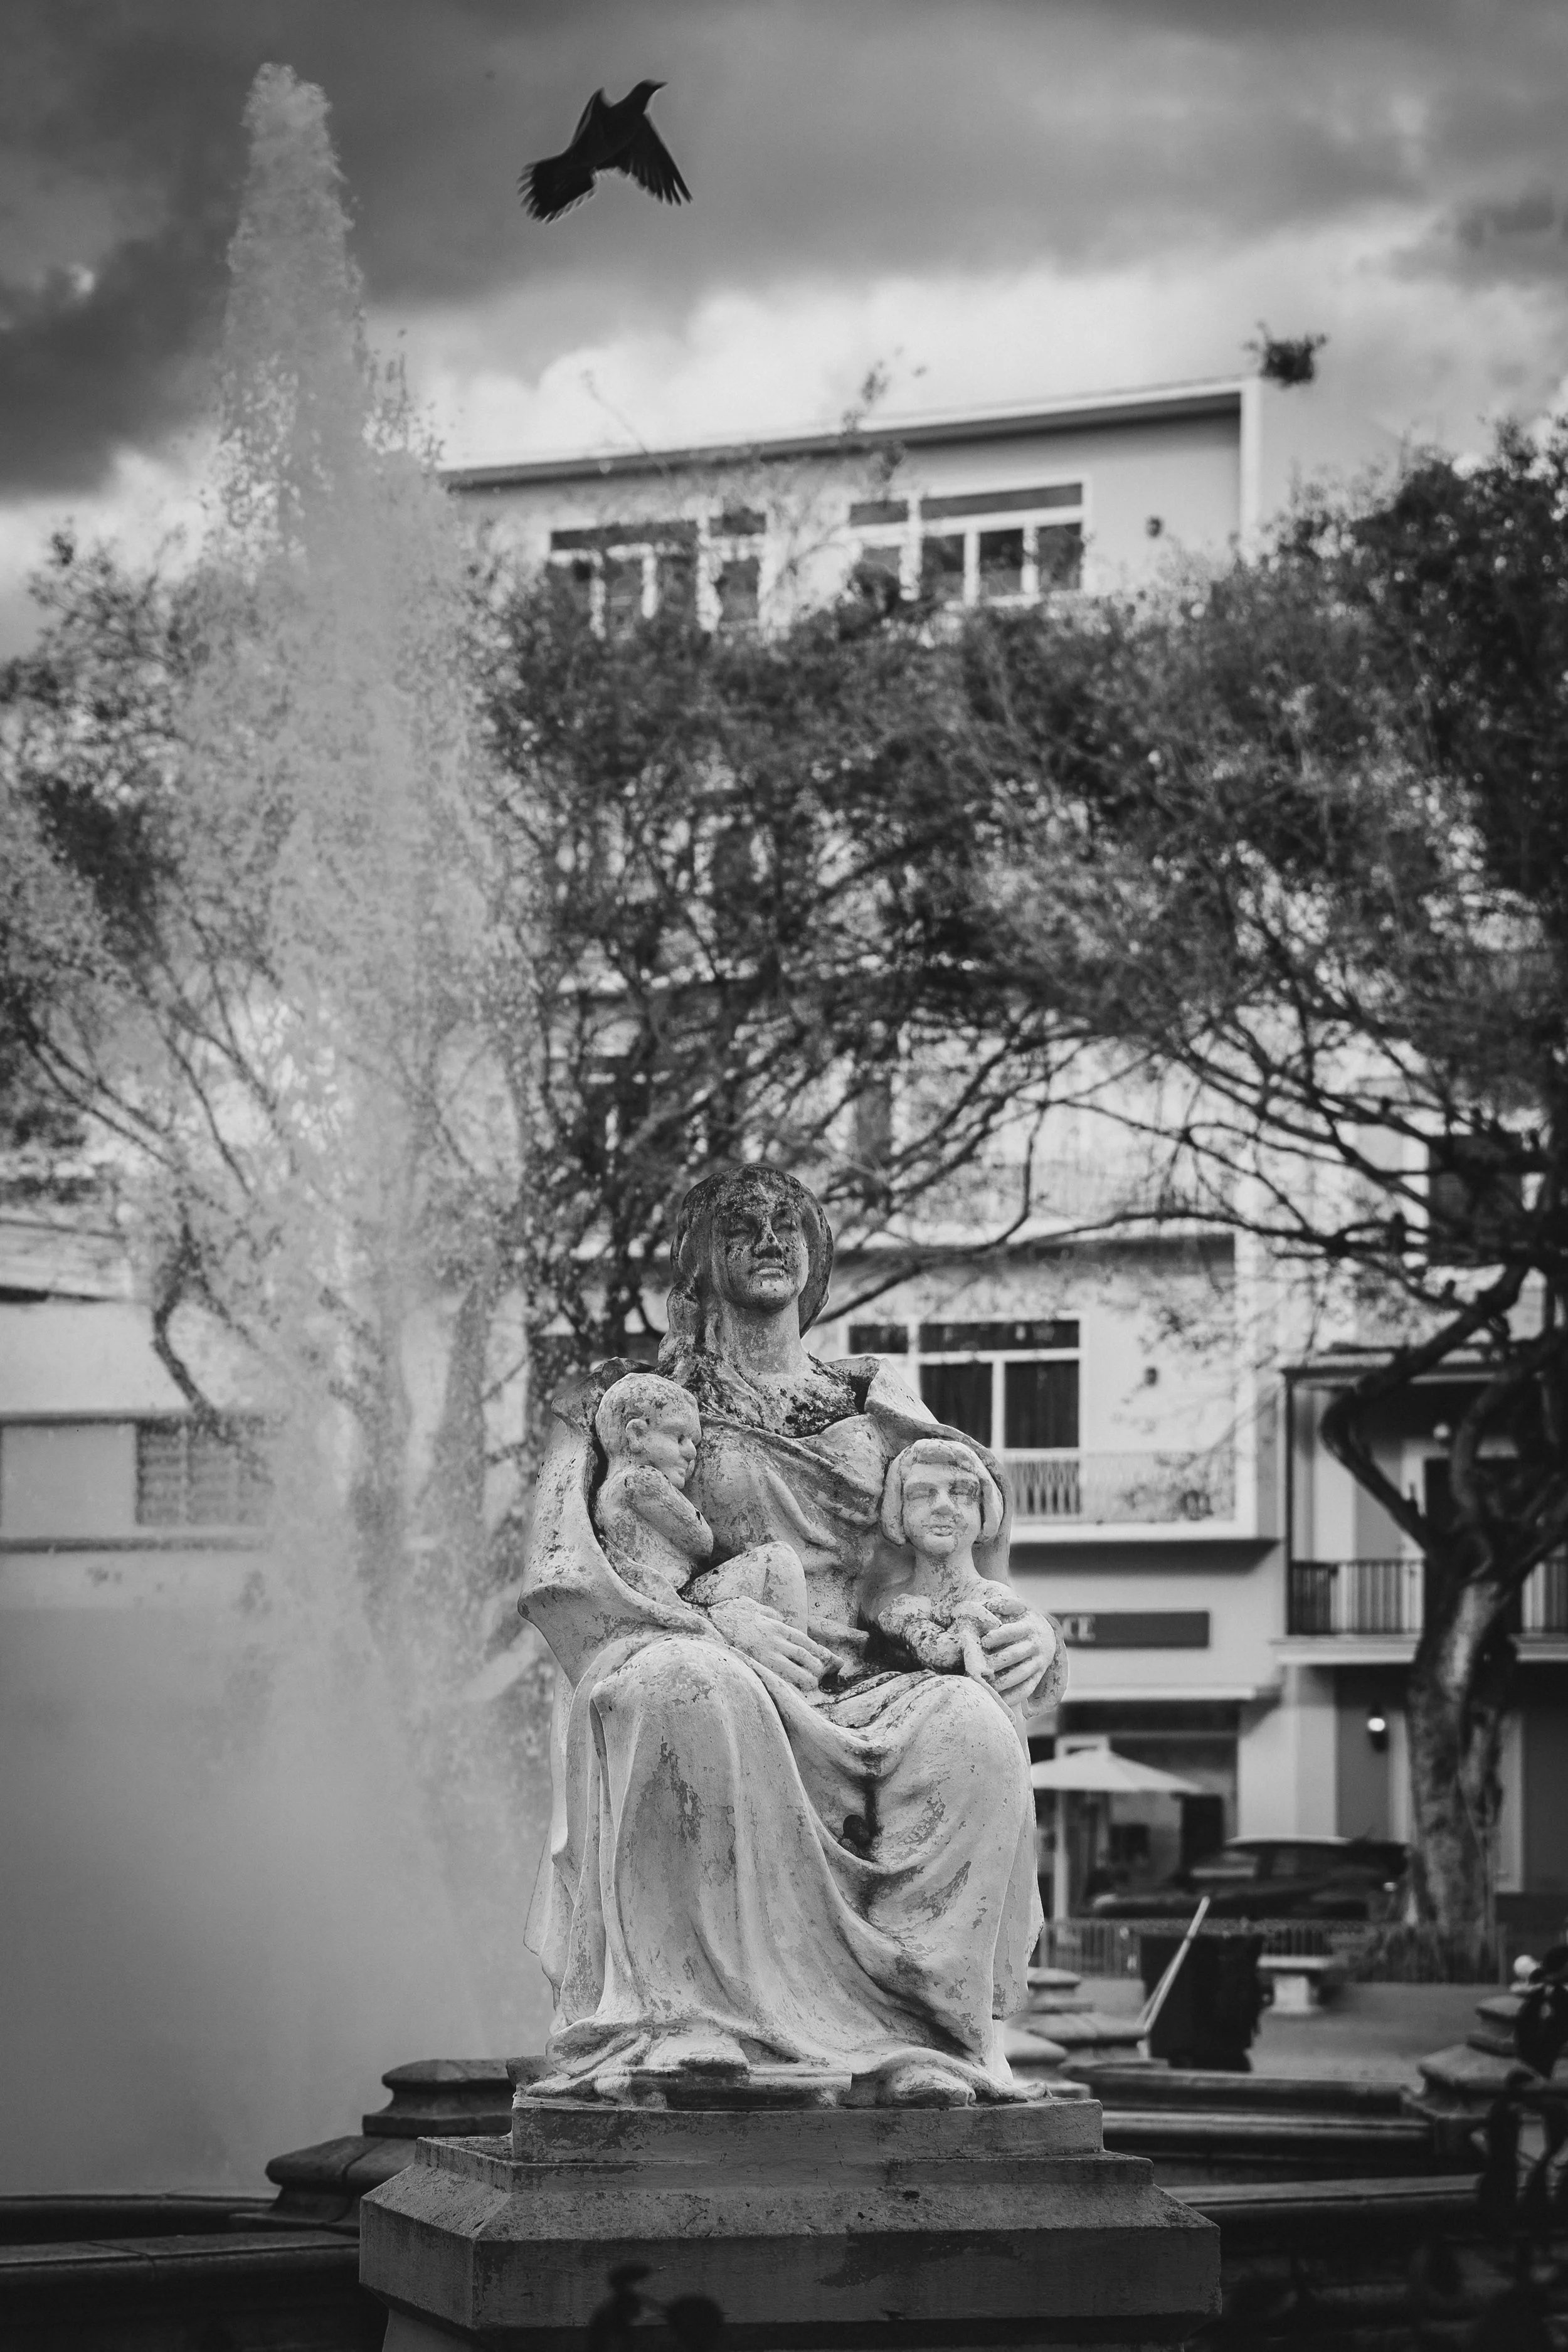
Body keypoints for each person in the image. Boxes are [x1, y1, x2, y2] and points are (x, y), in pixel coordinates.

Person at [520, 1165, 1066, 2105]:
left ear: (815, 1260)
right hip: (704, 1644)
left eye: (789, 1225)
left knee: (971, 1726)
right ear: (699, 1257)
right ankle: (691, 2019)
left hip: (867, 1671)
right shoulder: (646, 1401)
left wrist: (1036, 1635)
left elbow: (960, 1559)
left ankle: (927, 2036)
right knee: (685, 1685)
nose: (770, 1238)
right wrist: (713, 1618)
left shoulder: (879, 1405)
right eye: (742, 1224)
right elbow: (576, 1565)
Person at [592, 1369, 809, 1631]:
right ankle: (800, 1657)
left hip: (678, 1594)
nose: (691, 1452)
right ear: (637, 1435)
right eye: (679, 1438)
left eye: (693, 1441)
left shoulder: (610, 1491)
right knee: (778, 1561)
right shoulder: (641, 1480)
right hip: (683, 1595)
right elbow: (703, 1541)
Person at [873, 1438, 1022, 1681]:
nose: (943, 1506)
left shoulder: (996, 1601)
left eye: (962, 1492)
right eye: (921, 1493)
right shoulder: (879, 1602)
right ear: (898, 1511)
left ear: (984, 1511)